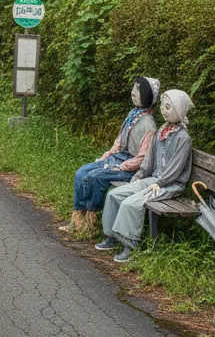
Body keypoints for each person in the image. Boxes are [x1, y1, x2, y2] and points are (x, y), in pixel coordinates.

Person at [96, 89, 194, 263]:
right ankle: (111, 235)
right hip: (153, 180)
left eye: (168, 107)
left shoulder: (183, 138)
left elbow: (176, 168)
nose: (164, 110)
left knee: (130, 203)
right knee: (114, 194)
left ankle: (129, 244)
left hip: (171, 185)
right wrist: (140, 175)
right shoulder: (162, 130)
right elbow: (149, 159)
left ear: (179, 109)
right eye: (163, 106)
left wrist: (162, 182)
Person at [60, 77, 158, 234]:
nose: (133, 93)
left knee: (94, 177)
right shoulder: (133, 114)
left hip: (130, 166)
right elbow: (119, 141)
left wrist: (123, 165)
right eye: (133, 88)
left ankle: (90, 223)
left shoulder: (148, 124)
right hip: (118, 157)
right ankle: (78, 221)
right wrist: (108, 155)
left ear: (147, 95)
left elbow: (143, 157)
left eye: (138, 90)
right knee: (81, 172)